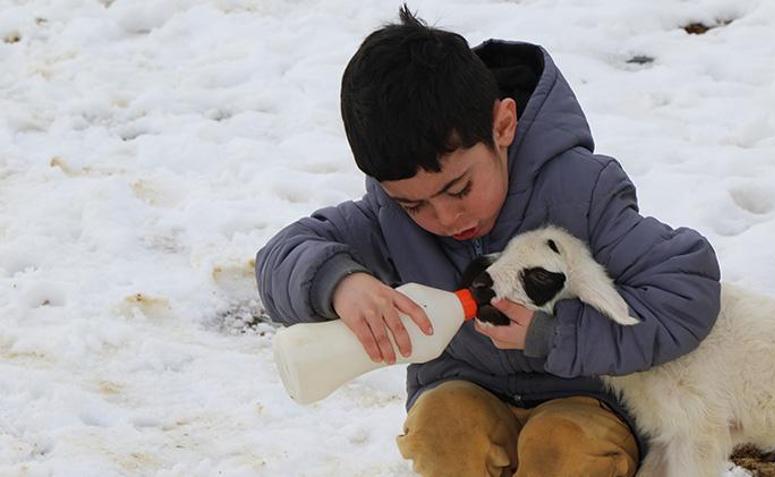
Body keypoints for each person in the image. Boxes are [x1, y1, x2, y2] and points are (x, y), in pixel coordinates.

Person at [255, 5, 721, 477]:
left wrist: (554, 334)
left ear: (503, 125)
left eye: (458, 189)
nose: (444, 217)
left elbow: (688, 292)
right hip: (465, 388)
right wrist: (341, 283)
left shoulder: (581, 193)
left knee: (563, 447)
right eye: (414, 205)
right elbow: (279, 257)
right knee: (444, 430)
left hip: (586, 400)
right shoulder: (386, 218)